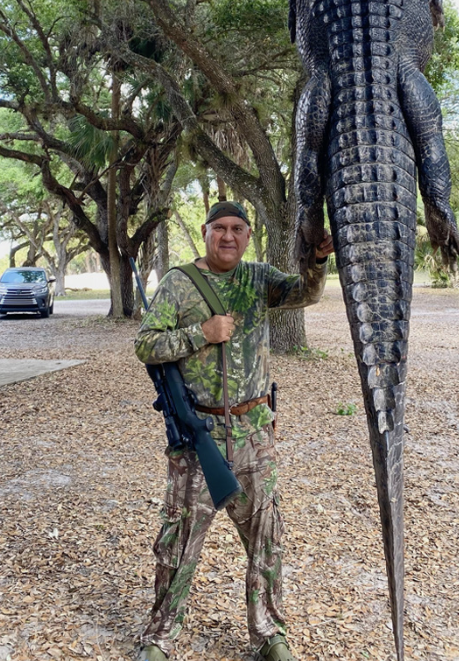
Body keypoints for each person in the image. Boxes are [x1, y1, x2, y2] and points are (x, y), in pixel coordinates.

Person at [134, 201, 334, 661]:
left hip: (255, 434)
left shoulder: (258, 278)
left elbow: (304, 292)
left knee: (267, 537)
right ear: (205, 232)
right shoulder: (179, 283)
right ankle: (159, 638)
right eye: (220, 228)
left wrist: (318, 259)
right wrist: (200, 333)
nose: (228, 236)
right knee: (179, 541)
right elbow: (145, 344)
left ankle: (268, 634)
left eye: (237, 229)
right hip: (199, 434)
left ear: (247, 235)